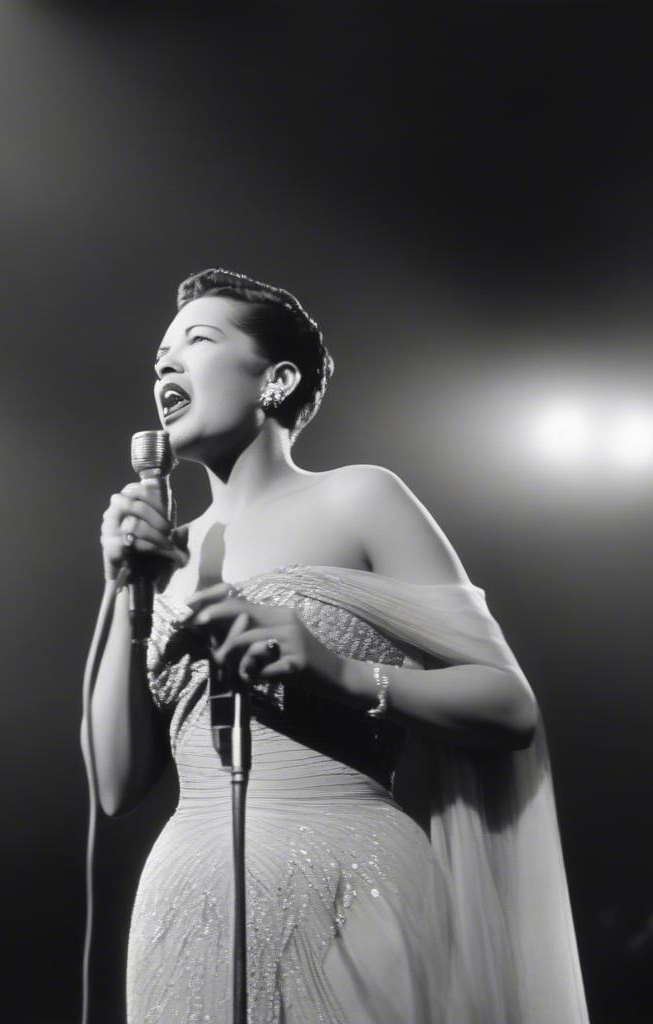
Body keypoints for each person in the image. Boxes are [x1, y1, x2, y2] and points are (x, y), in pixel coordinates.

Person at [83, 268, 590, 1023]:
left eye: (197, 340)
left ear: (276, 379)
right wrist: (121, 587)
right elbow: (117, 786)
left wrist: (339, 673)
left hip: (353, 878)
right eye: (160, 354)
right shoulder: (163, 554)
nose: (164, 363)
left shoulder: (360, 497)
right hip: (184, 896)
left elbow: (509, 707)